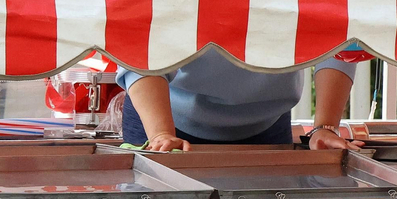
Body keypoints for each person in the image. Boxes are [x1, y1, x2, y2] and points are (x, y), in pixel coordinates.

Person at [117, 47, 367, 151]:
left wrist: (325, 127)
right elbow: (143, 53)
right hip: (166, 118)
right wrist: (160, 133)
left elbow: (339, 43)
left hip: (267, 120)